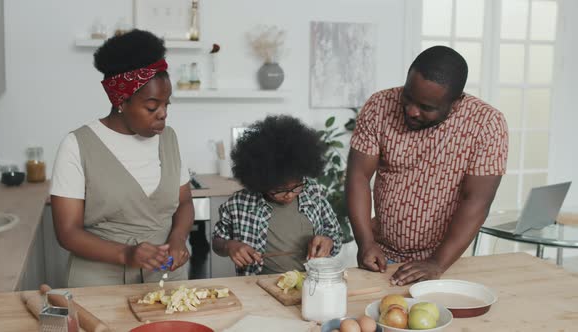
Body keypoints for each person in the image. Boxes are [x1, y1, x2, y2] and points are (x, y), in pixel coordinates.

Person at [346, 46, 508, 286]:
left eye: (427, 107)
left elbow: (476, 201)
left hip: (447, 262)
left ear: (456, 103)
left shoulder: (488, 125)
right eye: (408, 97)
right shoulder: (379, 105)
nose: (412, 111)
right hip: (381, 257)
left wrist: (437, 263)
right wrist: (366, 242)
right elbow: (358, 176)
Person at [50, 30, 194, 287]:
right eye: (152, 107)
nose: (162, 114)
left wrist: (178, 239)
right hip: (99, 284)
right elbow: (68, 233)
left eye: (166, 105)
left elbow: (184, 203)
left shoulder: (169, 139)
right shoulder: (77, 146)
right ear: (121, 100)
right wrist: (126, 253)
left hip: (165, 280)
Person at [212, 115, 342, 276]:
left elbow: (335, 234)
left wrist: (328, 241)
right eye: (279, 190)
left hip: (310, 281)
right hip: (259, 287)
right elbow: (217, 240)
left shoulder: (313, 192)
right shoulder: (239, 204)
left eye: (296, 187)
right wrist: (229, 246)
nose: (289, 195)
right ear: (260, 182)